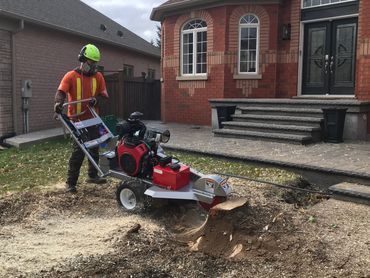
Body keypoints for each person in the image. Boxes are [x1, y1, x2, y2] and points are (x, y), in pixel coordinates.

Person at [54, 44, 109, 193]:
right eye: (91, 63)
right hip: (76, 121)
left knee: (96, 146)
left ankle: (93, 175)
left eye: (95, 63)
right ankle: (71, 183)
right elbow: (61, 92)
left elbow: (104, 97)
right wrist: (58, 104)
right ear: (82, 60)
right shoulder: (70, 76)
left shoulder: (98, 77)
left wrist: (95, 100)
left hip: (93, 118)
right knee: (79, 151)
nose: (93, 66)